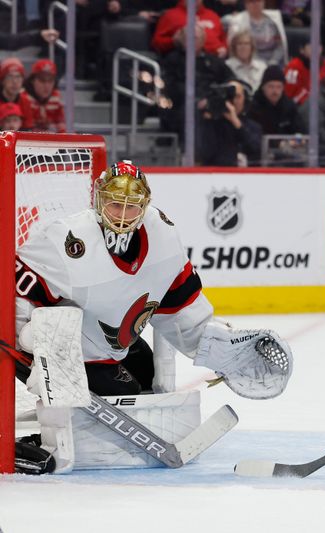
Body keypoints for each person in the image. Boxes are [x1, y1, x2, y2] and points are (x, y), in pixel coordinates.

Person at [13, 161, 292, 473]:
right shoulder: (66, 241)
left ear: (145, 206)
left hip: (112, 342)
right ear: (98, 200)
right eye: (115, 204)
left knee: (145, 375)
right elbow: (17, 297)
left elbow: (179, 304)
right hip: (69, 353)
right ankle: (43, 439)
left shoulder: (162, 235)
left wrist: (220, 349)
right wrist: (34, 350)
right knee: (126, 395)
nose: (121, 215)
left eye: (131, 207)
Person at [198, 80, 263, 166]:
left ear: (245, 99)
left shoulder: (253, 126)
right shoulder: (212, 124)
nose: (234, 101)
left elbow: (255, 149)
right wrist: (207, 118)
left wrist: (236, 123)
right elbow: (204, 153)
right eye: (230, 97)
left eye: (238, 97)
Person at [151, 0, 228, 58]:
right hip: (184, 59)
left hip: (214, 61)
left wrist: (224, 48)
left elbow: (223, 38)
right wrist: (173, 41)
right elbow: (156, 43)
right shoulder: (170, 15)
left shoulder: (212, 15)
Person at [226, 0, 288, 66]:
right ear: (246, 4)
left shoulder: (273, 20)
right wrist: (259, 65)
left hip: (274, 62)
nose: (256, 4)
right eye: (252, 2)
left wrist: (273, 62)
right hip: (248, 63)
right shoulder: (237, 21)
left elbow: (280, 46)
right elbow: (234, 48)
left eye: (258, 1)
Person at [248, 65, 304, 136]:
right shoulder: (254, 108)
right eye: (271, 86)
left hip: (289, 146)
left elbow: (300, 131)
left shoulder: (289, 106)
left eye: (278, 87)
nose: (275, 91)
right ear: (263, 87)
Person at [283, 40, 325, 105]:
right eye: (311, 47)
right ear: (302, 50)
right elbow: (289, 96)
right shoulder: (293, 68)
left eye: (318, 46)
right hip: (301, 107)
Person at [23, 59, 66, 133]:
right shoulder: (23, 98)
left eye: (50, 81)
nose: (47, 86)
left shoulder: (55, 98)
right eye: (42, 81)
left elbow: (62, 128)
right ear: (32, 81)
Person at [226, 29, 268, 95]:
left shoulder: (262, 67)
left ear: (252, 47)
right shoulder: (227, 66)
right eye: (239, 44)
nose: (243, 47)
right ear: (234, 47)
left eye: (246, 44)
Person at [0, 58, 34, 130]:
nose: (15, 81)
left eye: (18, 77)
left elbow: (28, 129)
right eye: (10, 77)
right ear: (2, 80)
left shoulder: (25, 101)